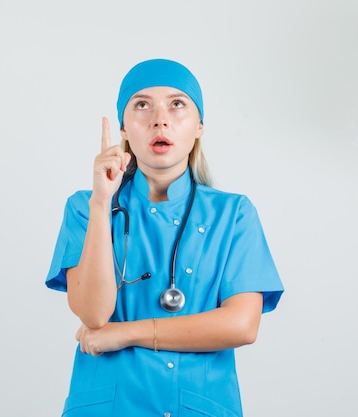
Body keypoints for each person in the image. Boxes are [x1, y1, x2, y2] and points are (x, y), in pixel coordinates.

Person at [45, 58, 284, 417]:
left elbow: (241, 325)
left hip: (197, 406)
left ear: (199, 126)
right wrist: (101, 202)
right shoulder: (86, 207)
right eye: (142, 105)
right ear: (124, 129)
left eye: (177, 104)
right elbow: (94, 315)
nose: (160, 118)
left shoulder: (233, 214)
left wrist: (125, 333)